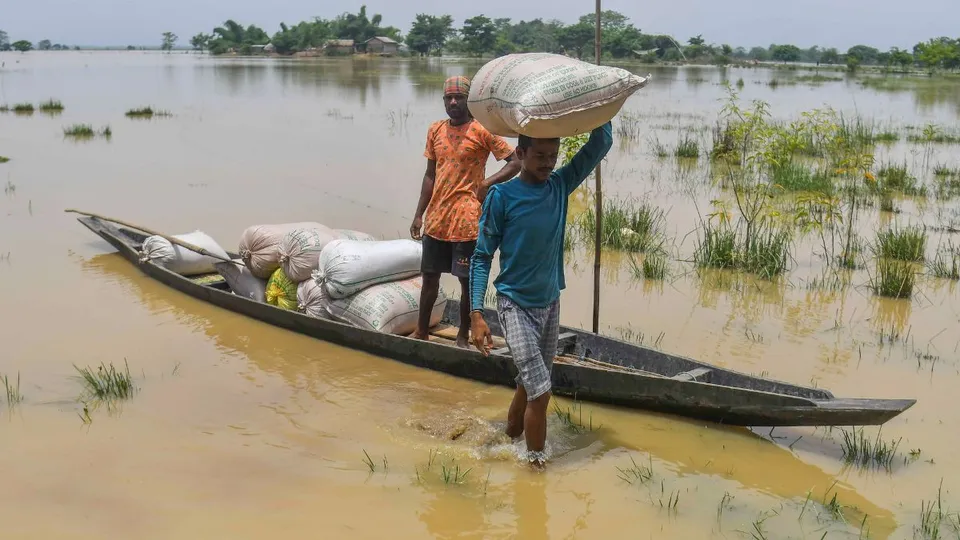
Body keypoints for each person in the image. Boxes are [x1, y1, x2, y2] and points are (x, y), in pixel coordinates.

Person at [468, 121, 613, 467]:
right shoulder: (502, 198)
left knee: (528, 385)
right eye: (540, 156)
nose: (549, 163)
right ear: (520, 154)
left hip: (549, 304)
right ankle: (536, 468)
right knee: (542, 391)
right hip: (514, 306)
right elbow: (481, 257)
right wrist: (476, 314)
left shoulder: (559, 186)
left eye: (553, 156)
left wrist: (601, 107)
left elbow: (600, 144)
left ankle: (509, 438)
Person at [410, 75, 521, 348]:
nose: (453, 102)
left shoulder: (482, 130)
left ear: (469, 101)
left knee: (466, 282)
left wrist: (487, 183)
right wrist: (418, 214)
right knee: (430, 279)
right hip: (437, 219)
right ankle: (421, 332)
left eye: (459, 97)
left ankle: (462, 336)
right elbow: (429, 175)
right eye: (448, 98)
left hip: (467, 220)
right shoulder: (436, 130)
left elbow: (515, 161)